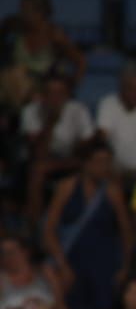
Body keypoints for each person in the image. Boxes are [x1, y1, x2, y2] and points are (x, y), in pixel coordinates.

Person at [42, 140, 134, 309]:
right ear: (86, 163)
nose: (104, 167)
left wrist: (124, 267)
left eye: (108, 162)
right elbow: (49, 230)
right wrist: (62, 264)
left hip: (103, 264)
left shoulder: (112, 191)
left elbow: (126, 233)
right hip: (73, 262)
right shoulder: (67, 187)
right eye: (99, 161)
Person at [21, 71, 95, 218]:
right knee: (38, 170)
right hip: (42, 161)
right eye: (50, 93)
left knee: (95, 167)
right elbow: (38, 153)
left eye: (60, 93)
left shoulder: (79, 110)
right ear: (42, 94)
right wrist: (50, 123)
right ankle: (35, 223)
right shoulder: (31, 111)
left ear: (67, 94)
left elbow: (86, 147)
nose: (55, 98)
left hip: (73, 160)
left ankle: (88, 221)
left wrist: (76, 151)